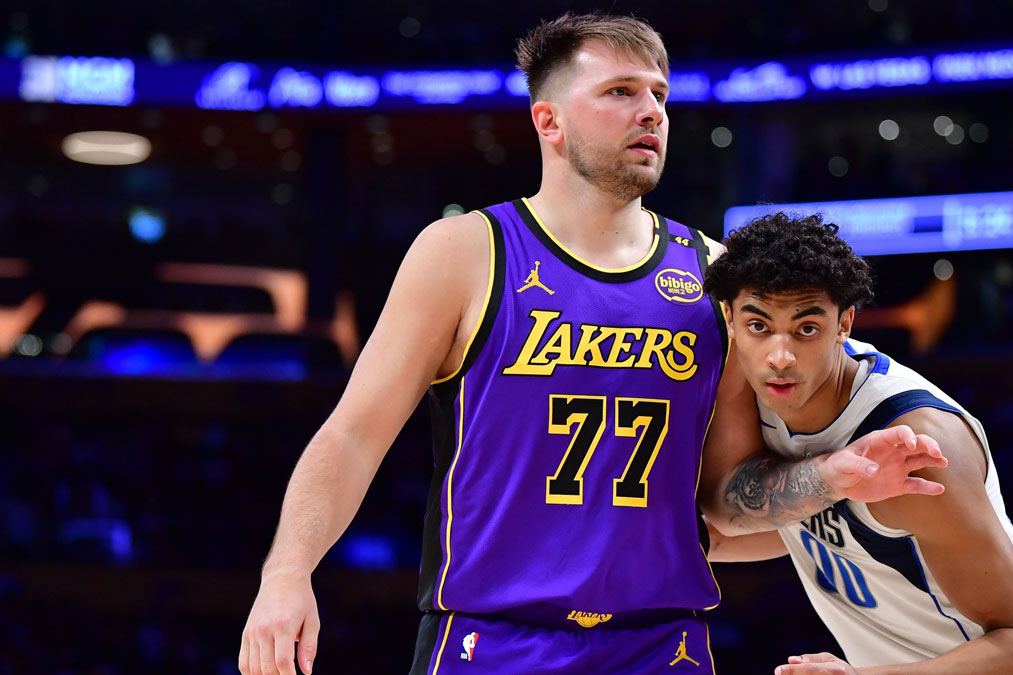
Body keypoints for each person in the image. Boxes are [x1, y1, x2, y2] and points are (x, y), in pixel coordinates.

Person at [237, 14, 947, 675]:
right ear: (548, 120)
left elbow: (729, 498)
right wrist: (286, 571)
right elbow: (354, 436)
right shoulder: (466, 254)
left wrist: (837, 479)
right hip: (494, 638)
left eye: (659, 95)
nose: (651, 112)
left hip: (662, 641)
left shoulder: (713, 273)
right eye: (619, 91)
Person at [700, 212, 1013, 674]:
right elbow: (730, 521)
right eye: (759, 327)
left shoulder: (916, 445)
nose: (780, 356)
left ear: (844, 322)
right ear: (731, 319)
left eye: (807, 329)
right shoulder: (749, 381)